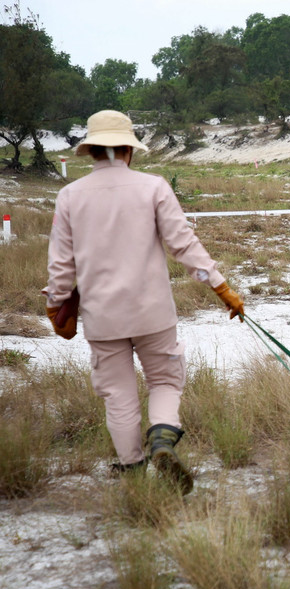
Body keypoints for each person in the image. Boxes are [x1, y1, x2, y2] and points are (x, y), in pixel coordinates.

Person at [43, 110, 244, 494]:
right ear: (129, 150)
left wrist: (56, 307)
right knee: (166, 381)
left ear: (91, 151)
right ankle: (163, 440)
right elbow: (183, 245)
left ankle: (132, 469)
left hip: (102, 318)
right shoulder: (153, 187)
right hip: (153, 312)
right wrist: (221, 288)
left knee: (117, 395)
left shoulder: (70, 196)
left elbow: (61, 266)